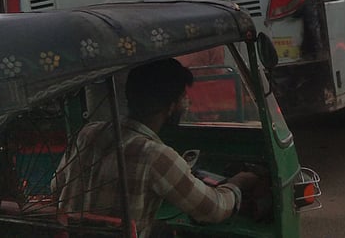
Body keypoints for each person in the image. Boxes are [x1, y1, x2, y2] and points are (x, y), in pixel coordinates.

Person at [54, 59, 259, 236]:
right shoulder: (155, 156)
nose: (185, 105)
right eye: (182, 99)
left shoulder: (88, 133)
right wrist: (238, 184)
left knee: (162, 230)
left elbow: (56, 186)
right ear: (171, 105)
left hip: (74, 234)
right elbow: (212, 209)